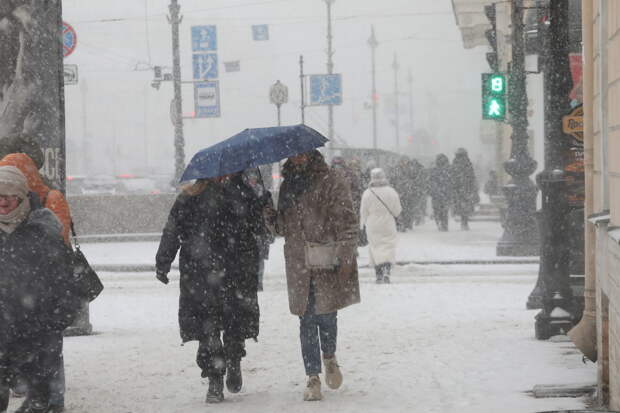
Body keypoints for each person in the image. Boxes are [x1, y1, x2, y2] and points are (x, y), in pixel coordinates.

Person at [155, 172, 266, 404]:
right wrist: (163, 261)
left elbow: (172, 231)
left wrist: (163, 261)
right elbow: (172, 231)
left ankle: (225, 368)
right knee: (217, 325)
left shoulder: (192, 197)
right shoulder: (238, 193)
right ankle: (221, 371)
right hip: (222, 272)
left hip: (208, 273)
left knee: (217, 324)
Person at [276, 149, 360, 402]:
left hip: (326, 257)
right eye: (294, 155)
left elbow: (347, 220)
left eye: (302, 155)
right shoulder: (287, 185)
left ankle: (329, 357)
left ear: (312, 155)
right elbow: (282, 227)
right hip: (299, 261)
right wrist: (269, 215)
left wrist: (345, 253)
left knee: (326, 315)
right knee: (306, 319)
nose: (298, 159)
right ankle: (312, 376)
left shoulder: (332, 180)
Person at [0, 166, 80, 413]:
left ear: (22, 196)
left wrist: (57, 318)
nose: (2, 202)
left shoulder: (42, 229)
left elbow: (65, 279)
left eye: (8, 196)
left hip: (38, 327)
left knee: (41, 396)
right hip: (3, 326)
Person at [360, 168, 402, 284]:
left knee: (375, 247)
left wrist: (362, 225)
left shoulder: (367, 193)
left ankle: (378, 275)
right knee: (388, 246)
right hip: (388, 223)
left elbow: (363, 212)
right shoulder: (391, 192)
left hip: (372, 224)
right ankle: (386, 271)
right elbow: (397, 211)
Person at [242, 168, 275, 291]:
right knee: (249, 258)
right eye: (250, 177)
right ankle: (251, 280)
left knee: (260, 258)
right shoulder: (243, 193)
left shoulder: (264, 193)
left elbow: (270, 212)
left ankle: (258, 282)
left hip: (261, 231)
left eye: (254, 177)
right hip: (249, 231)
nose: (252, 179)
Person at [451, 148, 480, 230]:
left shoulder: (456, 163)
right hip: (465, 188)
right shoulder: (467, 163)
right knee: (465, 206)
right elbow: (471, 176)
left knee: (462, 206)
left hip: (461, 188)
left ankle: (464, 222)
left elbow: (453, 176)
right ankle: (464, 222)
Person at [429, 154, 453, 232]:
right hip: (444, 194)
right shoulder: (448, 170)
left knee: (438, 210)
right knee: (444, 211)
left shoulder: (434, 170)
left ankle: (440, 222)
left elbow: (430, 182)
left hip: (437, 194)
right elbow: (451, 182)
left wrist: (433, 190)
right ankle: (444, 224)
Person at [391, 157, 416, 232]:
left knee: (408, 209)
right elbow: (393, 180)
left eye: (405, 161)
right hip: (399, 193)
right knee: (400, 209)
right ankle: (402, 225)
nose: (404, 163)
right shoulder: (396, 170)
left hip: (407, 192)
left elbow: (414, 179)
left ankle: (408, 223)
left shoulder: (410, 169)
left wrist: (411, 188)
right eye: (402, 161)